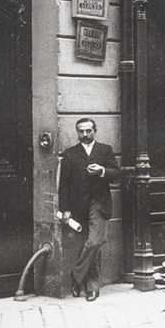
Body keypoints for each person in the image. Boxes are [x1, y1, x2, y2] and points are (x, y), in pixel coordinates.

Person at [57, 117, 119, 301]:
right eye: (81, 131)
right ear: (77, 132)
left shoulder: (105, 150)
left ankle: (77, 277)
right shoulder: (70, 154)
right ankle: (90, 285)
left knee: (95, 242)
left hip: (99, 204)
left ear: (95, 130)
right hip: (78, 207)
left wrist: (102, 171)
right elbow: (64, 185)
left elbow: (116, 174)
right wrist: (65, 209)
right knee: (90, 245)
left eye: (88, 131)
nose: (85, 135)